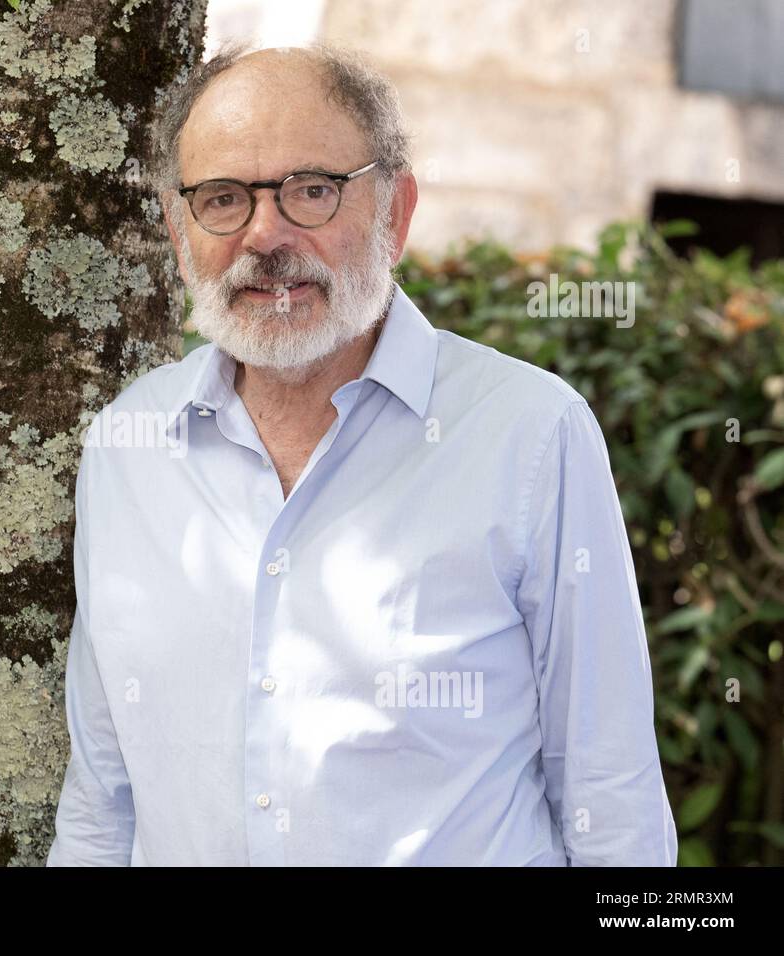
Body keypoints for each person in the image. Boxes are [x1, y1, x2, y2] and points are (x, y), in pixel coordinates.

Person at [46, 42, 678, 866]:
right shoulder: (127, 449)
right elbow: (102, 804)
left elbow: (611, 797)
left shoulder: (529, 435)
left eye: (312, 190)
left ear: (396, 211)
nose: (265, 234)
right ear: (178, 229)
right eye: (224, 198)